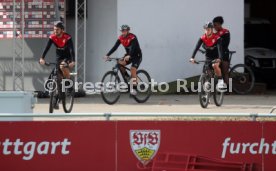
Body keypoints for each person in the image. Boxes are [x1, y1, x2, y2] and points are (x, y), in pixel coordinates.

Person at [39, 21, 75, 109]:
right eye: (54, 29)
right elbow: (47, 48)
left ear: (62, 30)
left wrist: (73, 61)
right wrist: (42, 58)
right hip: (59, 57)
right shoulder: (52, 37)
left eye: (57, 30)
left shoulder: (67, 37)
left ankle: (69, 86)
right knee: (56, 76)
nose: (55, 31)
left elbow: (71, 50)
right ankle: (55, 99)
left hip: (67, 57)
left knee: (62, 66)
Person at [105, 25, 142, 95]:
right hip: (128, 55)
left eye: (125, 31)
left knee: (133, 69)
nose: (124, 32)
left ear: (128, 31)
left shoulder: (133, 37)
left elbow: (133, 48)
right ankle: (128, 79)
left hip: (136, 56)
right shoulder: (121, 38)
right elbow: (115, 47)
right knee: (120, 64)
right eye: (122, 31)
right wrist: (107, 55)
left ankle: (134, 88)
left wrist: (129, 55)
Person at [190, 22, 224, 88]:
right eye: (205, 29)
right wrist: (192, 57)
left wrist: (219, 58)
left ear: (212, 30)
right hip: (208, 56)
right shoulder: (202, 38)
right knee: (207, 70)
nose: (207, 31)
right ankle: (209, 89)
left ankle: (220, 81)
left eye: (208, 29)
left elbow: (220, 49)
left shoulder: (217, 38)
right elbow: (196, 47)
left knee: (215, 65)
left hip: (216, 56)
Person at [213, 16, 231, 87]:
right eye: (213, 25)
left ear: (220, 24)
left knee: (225, 72)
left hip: (224, 53)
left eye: (215, 25)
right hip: (216, 54)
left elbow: (225, 43)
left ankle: (228, 89)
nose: (214, 27)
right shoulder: (215, 34)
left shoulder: (226, 32)